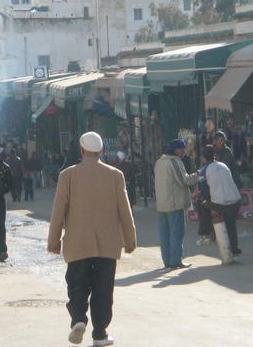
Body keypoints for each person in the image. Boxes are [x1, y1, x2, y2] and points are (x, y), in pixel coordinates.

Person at [48, 132, 136, 347]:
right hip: (108, 244)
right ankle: (100, 334)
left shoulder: (67, 175)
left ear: (81, 150)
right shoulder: (115, 175)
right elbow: (124, 210)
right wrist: (130, 239)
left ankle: (78, 319)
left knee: (77, 285)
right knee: (103, 289)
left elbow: (58, 211)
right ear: (102, 151)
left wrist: (54, 241)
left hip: (77, 243)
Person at [153, 139, 198, 269]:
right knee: (176, 233)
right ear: (176, 150)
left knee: (165, 235)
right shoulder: (174, 161)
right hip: (174, 204)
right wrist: (198, 175)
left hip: (161, 204)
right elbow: (185, 181)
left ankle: (167, 261)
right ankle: (176, 261)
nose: (184, 151)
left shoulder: (159, 162)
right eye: (182, 149)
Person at [201, 145, 242, 257]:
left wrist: (209, 204)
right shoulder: (223, 165)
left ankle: (205, 233)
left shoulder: (204, 170)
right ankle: (234, 248)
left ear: (203, 158)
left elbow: (204, 192)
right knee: (231, 225)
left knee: (203, 205)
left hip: (220, 204)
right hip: (235, 200)